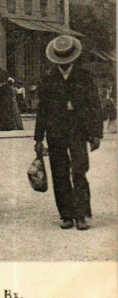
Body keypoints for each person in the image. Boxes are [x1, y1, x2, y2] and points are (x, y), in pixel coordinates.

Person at [34, 35, 102, 231]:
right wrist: (38, 138)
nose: (65, 63)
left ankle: (82, 214)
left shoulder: (84, 78)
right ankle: (66, 215)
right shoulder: (48, 80)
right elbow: (42, 111)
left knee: (79, 170)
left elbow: (94, 106)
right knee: (60, 173)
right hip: (55, 132)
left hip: (78, 131)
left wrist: (95, 134)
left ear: (74, 58)